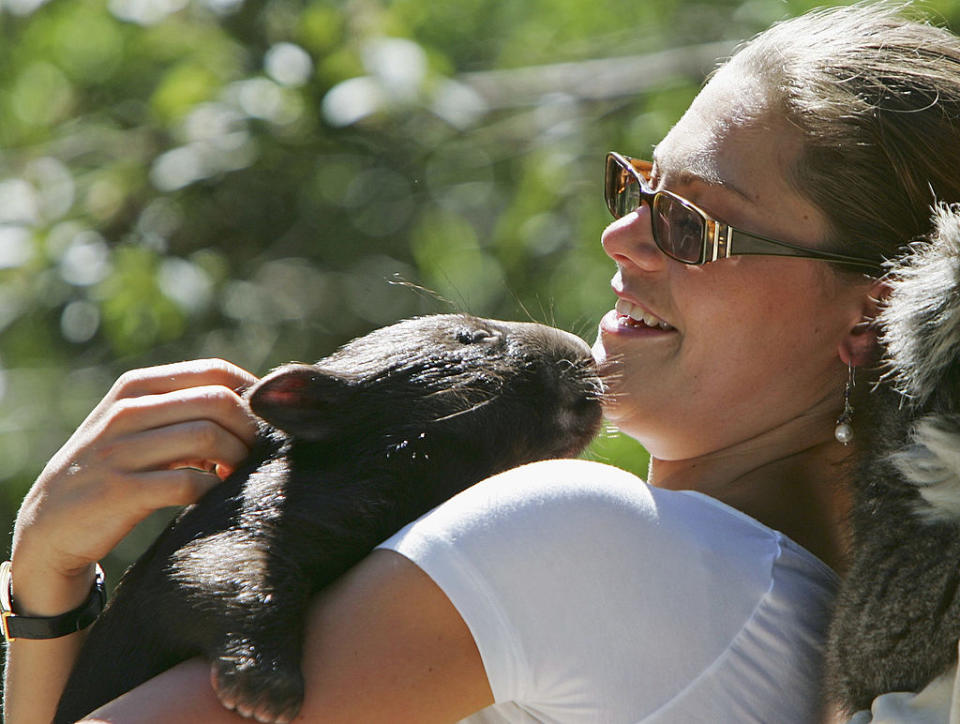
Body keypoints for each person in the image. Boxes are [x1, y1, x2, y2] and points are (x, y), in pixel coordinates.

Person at [6, 3, 960, 722]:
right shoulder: (823, 628)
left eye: (690, 222)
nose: (620, 237)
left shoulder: (584, 539)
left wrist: (45, 576)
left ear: (875, 316)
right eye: (634, 187)